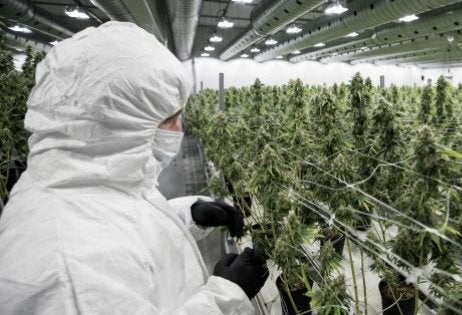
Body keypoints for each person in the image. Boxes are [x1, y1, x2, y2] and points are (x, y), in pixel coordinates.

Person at [0, 22, 268, 314]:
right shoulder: (66, 269)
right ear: (117, 121)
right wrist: (226, 297)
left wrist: (189, 215)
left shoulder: (87, 183)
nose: (179, 129)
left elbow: (127, 226)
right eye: (169, 118)